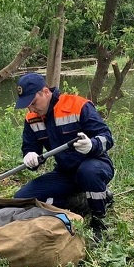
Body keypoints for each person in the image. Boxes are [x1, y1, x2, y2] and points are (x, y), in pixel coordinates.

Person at [13, 73, 114, 241]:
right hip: (65, 172)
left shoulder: (78, 105)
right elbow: (31, 148)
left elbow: (107, 137)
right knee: (22, 198)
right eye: (27, 105)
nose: (31, 109)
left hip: (95, 164)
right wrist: (30, 156)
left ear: (45, 92)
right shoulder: (31, 118)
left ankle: (99, 220)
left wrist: (92, 145)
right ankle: (82, 201)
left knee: (88, 171)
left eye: (33, 103)